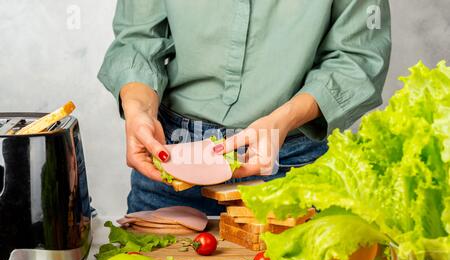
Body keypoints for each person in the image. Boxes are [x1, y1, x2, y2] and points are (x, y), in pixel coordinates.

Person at [98, 0, 391, 215]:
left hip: (291, 162)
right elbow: (138, 41)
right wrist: (139, 110)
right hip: (172, 159)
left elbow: (357, 58)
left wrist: (284, 119)